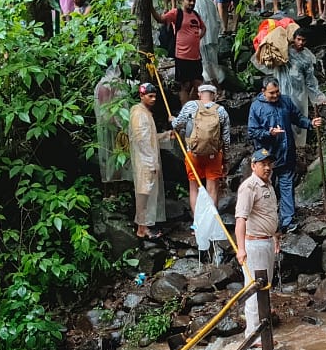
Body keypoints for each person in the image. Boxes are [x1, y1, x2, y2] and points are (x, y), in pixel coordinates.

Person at [247, 78, 322, 232]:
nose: (275, 95)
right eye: (271, 93)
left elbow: (297, 118)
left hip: (286, 153)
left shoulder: (285, 101)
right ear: (263, 92)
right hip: (267, 157)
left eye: (277, 91)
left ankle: (287, 222)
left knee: (287, 185)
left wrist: (310, 123)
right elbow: (252, 131)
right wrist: (269, 133)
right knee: (266, 187)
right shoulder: (256, 106)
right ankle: (266, 222)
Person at [251, 27, 326, 150]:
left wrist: (318, 95)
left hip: (298, 92)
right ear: (294, 39)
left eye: (303, 40)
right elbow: (269, 60)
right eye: (298, 39)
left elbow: (310, 80)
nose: (300, 43)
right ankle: (281, 146)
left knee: (298, 118)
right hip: (280, 90)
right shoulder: (284, 51)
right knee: (280, 118)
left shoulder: (306, 57)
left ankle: (298, 148)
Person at [235, 148, 280, 345]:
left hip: (267, 241)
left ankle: (263, 330)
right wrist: (240, 248)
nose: (268, 167)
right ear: (253, 166)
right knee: (254, 287)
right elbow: (240, 219)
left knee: (265, 287)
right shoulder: (249, 187)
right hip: (254, 243)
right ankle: (253, 335)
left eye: (269, 163)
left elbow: (270, 214)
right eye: (263, 164)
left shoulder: (268, 185)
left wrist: (275, 237)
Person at [171, 80, 231, 215]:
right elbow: (226, 139)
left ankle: (197, 225)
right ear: (214, 95)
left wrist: (172, 120)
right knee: (212, 190)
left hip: (193, 154)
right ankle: (212, 224)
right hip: (214, 156)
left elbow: (177, 125)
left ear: (199, 94)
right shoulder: (221, 111)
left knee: (194, 188)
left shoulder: (190, 106)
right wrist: (225, 160)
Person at [129, 82, 169, 238]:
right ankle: (141, 227)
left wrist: (166, 135)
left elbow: (150, 138)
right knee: (143, 193)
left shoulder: (144, 112)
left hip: (147, 159)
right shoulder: (139, 114)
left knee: (146, 192)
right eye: (150, 96)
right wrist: (151, 161)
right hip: (144, 160)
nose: (153, 99)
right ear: (141, 96)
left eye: (155, 97)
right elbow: (142, 140)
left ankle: (144, 226)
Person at [153, 0, 206, 105]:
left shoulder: (195, 15)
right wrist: (151, 8)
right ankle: (185, 113)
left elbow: (203, 28)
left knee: (198, 84)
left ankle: (190, 108)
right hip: (182, 56)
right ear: (183, 0)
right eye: (189, 0)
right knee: (185, 86)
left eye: (193, 1)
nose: (192, 3)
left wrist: (198, 37)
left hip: (196, 57)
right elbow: (161, 19)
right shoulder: (177, 13)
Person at [93, 62, 132, 186]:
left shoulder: (108, 83)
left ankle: (114, 190)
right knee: (112, 156)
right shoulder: (107, 85)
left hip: (117, 125)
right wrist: (119, 127)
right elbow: (106, 111)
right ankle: (112, 190)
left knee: (116, 156)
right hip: (112, 127)